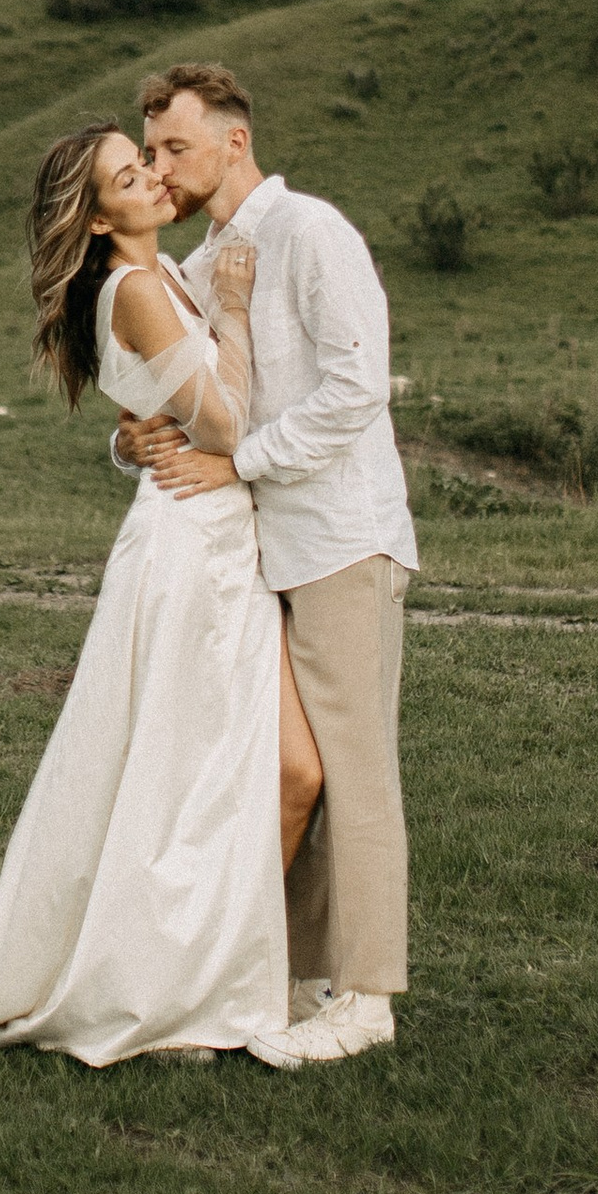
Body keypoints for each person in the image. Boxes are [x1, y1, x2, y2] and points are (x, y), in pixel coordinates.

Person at [0, 119, 310, 1065]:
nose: (150, 176)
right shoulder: (143, 287)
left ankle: (193, 972)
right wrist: (232, 312)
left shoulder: (158, 279)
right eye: (126, 175)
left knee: (202, 775)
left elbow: (157, 410)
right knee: (190, 774)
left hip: (211, 541)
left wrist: (130, 434)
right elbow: (225, 421)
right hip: (194, 548)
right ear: (99, 217)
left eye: (144, 161)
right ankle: (166, 984)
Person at [123, 64, 416, 1068]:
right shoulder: (206, 265)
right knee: (286, 769)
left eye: (174, 147)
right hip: (256, 558)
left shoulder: (313, 233)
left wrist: (237, 460)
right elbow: (176, 396)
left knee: (357, 771)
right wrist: (130, 444)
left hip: (341, 537)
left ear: (233, 141)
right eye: (150, 149)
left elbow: (354, 390)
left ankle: (367, 997)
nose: (159, 166)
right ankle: (292, 976)